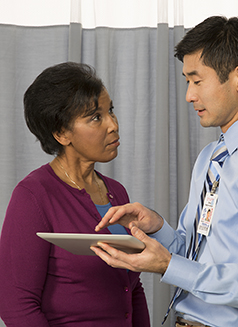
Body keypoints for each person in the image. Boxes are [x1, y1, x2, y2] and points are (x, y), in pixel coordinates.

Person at [91, 16, 238, 327]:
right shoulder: (211, 157)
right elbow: (197, 256)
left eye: (197, 80)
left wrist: (168, 265)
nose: (189, 95)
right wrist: (159, 228)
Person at [0, 62, 150, 327]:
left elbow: (132, 289)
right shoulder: (33, 197)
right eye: (95, 117)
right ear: (61, 133)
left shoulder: (117, 192)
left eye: (110, 111)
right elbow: (16, 304)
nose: (113, 125)